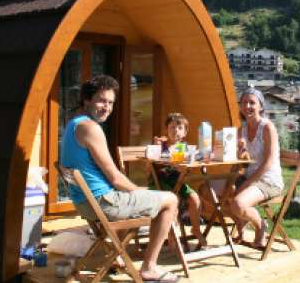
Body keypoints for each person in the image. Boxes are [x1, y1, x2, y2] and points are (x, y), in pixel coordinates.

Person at [60, 74, 180, 283]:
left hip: (85, 204)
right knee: (170, 199)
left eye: (110, 103)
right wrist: (142, 191)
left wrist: (140, 193)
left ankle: (117, 256)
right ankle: (149, 268)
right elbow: (115, 178)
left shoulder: (72, 125)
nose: (107, 107)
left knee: (139, 199)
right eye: (101, 101)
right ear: (87, 100)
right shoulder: (91, 128)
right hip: (103, 202)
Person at [229, 87, 284, 248]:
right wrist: (241, 155)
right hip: (249, 177)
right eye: (244, 102)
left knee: (238, 204)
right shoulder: (242, 129)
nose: (247, 106)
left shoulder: (267, 128)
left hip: (268, 181)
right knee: (209, 192)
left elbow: (268, 163)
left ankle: (260, 225)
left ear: (260, 106)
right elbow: (243, 162)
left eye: (252, 102)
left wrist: (245, 184)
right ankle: (240, 224)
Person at [152, 113, 207, 248]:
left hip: (178, 182)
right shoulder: (161, 145)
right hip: (160, 181)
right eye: (172, 127)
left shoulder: (184, 147)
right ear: (166, 129)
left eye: (179, 128)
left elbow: (187, 167)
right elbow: (150, 166)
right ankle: (172, 237)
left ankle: (196, 229)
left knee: (195, 199)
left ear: (185, 132)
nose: (175, 130)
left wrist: (194, 158)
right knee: (173, 203)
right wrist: (155, 148)